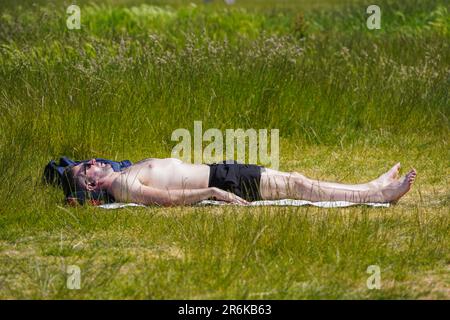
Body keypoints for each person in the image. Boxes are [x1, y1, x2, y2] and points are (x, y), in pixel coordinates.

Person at [62, 158, 416, 206]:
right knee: (297, 184)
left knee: (296, 181)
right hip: (224, 180)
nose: (92, 162)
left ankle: (371, 188)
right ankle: (379, 194)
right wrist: (214, 191)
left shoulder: (122, 173)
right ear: (91, 186)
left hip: (222, 172)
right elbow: (167, 198)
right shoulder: (121, 186)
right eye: (84, 169)